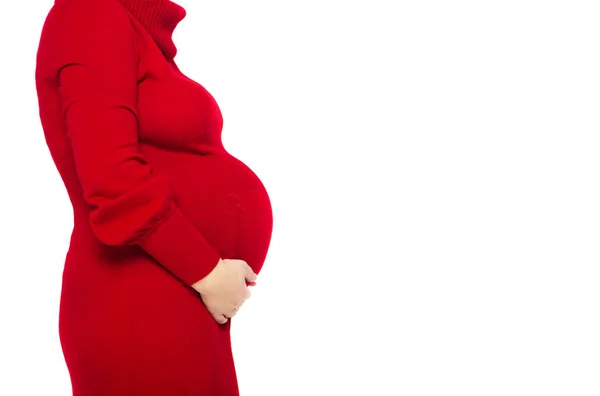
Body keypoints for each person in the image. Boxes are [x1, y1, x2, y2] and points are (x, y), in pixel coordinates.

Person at [34, 0, 274, 394]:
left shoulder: (133, 31)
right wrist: (208, 273)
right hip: (138, 299)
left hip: (171, 296)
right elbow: (110, 175)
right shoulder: (88, 12)